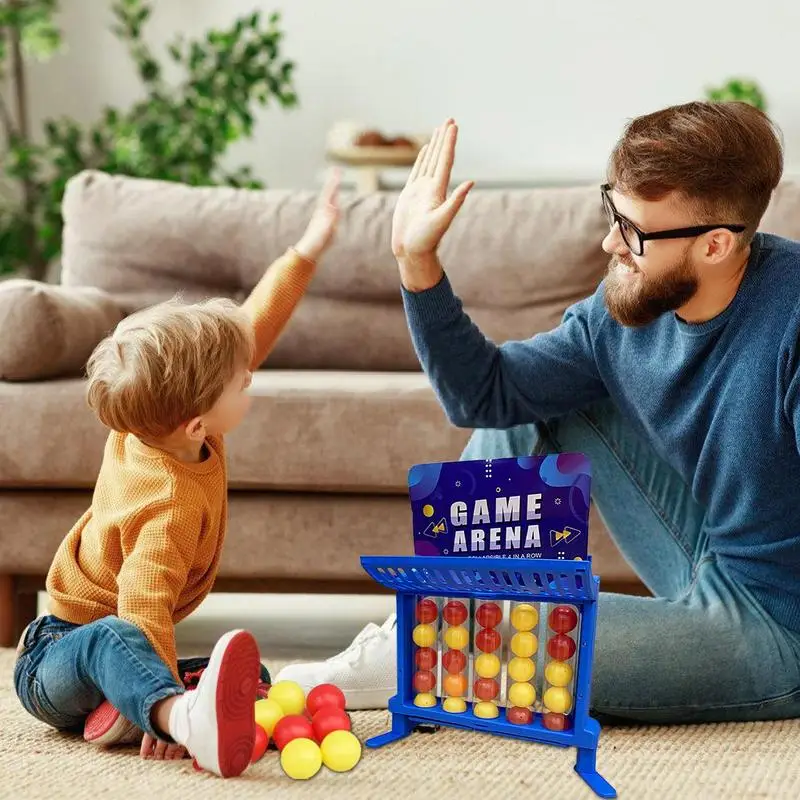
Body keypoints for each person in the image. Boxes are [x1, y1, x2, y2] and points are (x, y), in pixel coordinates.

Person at [279, 104, 800, 724]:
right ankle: (442, 620)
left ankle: (431, 645)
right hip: (702, 553)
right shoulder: (621, 312)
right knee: (526, 410)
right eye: (612, 211)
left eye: (633, 231)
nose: (610, 244)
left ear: (716, 244)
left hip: (776, 620)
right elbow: (489, 396)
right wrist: (417, 266)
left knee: (520, 642)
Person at [13, 173, 341, 775]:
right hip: (57, 659)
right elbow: (142, 605)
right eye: (243, 384)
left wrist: (307, 250)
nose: (252, 379)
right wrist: (161, 712)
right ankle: (172, 714)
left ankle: (133, 702)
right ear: (196, 423)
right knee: (118, 639)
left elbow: (252, 332)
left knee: (251, 678)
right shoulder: (167, 503)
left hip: (109, 648)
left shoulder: (152, 424)